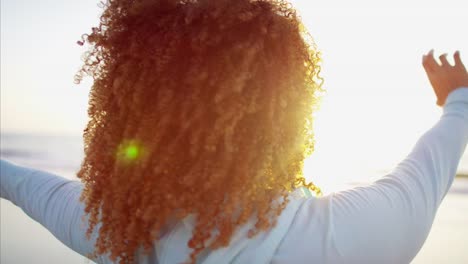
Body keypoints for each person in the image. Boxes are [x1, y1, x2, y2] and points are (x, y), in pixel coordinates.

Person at [1, 0, 468, 263]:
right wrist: (457, 100)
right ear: (282, 117)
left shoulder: (116, 237)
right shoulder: (342, 237)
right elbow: (425, 174)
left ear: (124, 117)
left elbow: (29, 187)